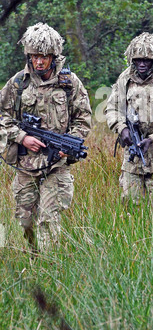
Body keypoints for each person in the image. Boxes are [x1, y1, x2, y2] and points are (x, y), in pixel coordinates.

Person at [0, 23, 92, 252]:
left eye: (44, 57)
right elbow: (2, 116)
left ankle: (49, 267)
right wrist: (21, 137)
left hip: (57, 165)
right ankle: (31, 261)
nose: (39, 62)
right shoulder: (18, 83)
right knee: (24, 220)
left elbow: (84, 119)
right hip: (26, 164)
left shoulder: (70, 83)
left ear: (53, 56)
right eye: (34, 56)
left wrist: (68, 146)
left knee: (49, 220)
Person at [105, 32, 153, 206]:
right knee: (130, 208)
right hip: (132, 158)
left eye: (146, 60)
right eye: (137, 59)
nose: (141, 64)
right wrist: (122, 128)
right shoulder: (125, 79)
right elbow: (112, 108)